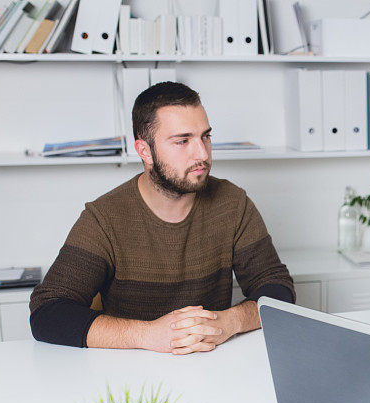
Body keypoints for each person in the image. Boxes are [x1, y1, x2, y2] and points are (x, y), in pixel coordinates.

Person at [30, 82, 294, 355]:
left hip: (211, 366)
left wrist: (228, 321)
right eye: (183, 141)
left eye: (205, 137)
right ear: (144, 151)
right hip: (129, 372)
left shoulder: (232, 203)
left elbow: (279, 289)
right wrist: (149, 334)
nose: (202, 154)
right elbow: (47, 312)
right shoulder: (105, 218)